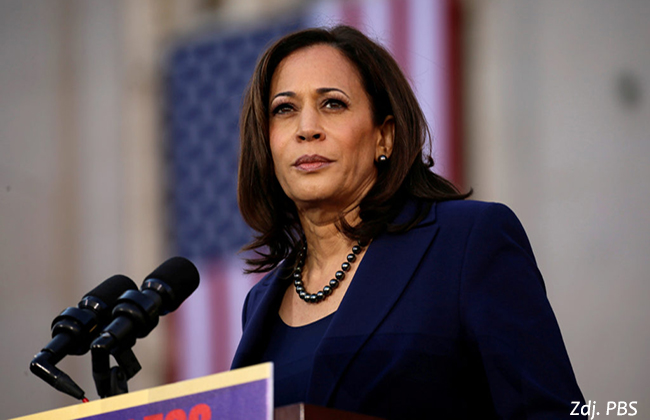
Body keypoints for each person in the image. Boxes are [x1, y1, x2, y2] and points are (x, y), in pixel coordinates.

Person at [231, 25, 585, 419]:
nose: (306, 128)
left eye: (332, 104)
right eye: (285, 109)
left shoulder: (467, 243)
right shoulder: (259, 303)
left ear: (385, 136)